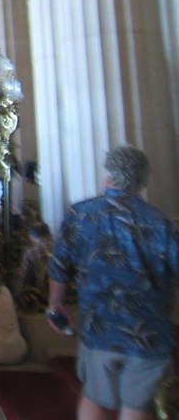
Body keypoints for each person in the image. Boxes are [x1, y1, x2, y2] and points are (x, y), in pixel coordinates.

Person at [47, 145, 179, 420]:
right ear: (143, 180)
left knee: (95, 398)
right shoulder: (161, 223)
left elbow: (59, 266)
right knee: (137, 407)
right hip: (149, 332)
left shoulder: (81, 214)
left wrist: (55, 304)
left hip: (99, 326)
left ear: (108, 175)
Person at [13, 221, 53, 308]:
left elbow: (23, 283)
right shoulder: (62, 248)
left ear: (31, 237)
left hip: (44, 302)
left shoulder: (31, 253)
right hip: (70, 300)